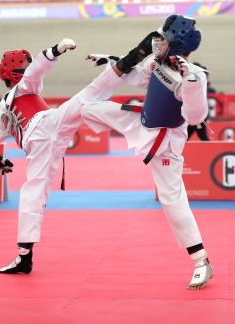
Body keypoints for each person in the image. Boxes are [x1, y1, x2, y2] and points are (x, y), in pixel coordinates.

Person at [82, 15, 213, 289]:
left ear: (175, 44)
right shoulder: (158, 63)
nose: (157, 43)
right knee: (88, 108)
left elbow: (195, 116)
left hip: (165, 138)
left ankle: (201, 261)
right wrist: (108, 59)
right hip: (141, 120)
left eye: (163, 39)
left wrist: (190, 82)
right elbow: (134, 77)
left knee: (171, 199)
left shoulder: (194, 76)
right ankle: (55, 140)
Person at [0, 37, 125, 275]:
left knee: (33, 194)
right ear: (16, 74)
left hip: (44, 143)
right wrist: (55, 51)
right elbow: (35, 71)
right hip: (48, 127)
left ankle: (25, 257)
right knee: (86, 98)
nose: (27, 72)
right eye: (23, 69)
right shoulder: (25, 86)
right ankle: (120, 69)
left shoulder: (1, 112)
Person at [186, 62, 215, 141]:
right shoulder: (201, 80)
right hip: (198, 113)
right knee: (201, 136)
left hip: (198, 113)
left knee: (188, 136)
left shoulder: (197, 81)